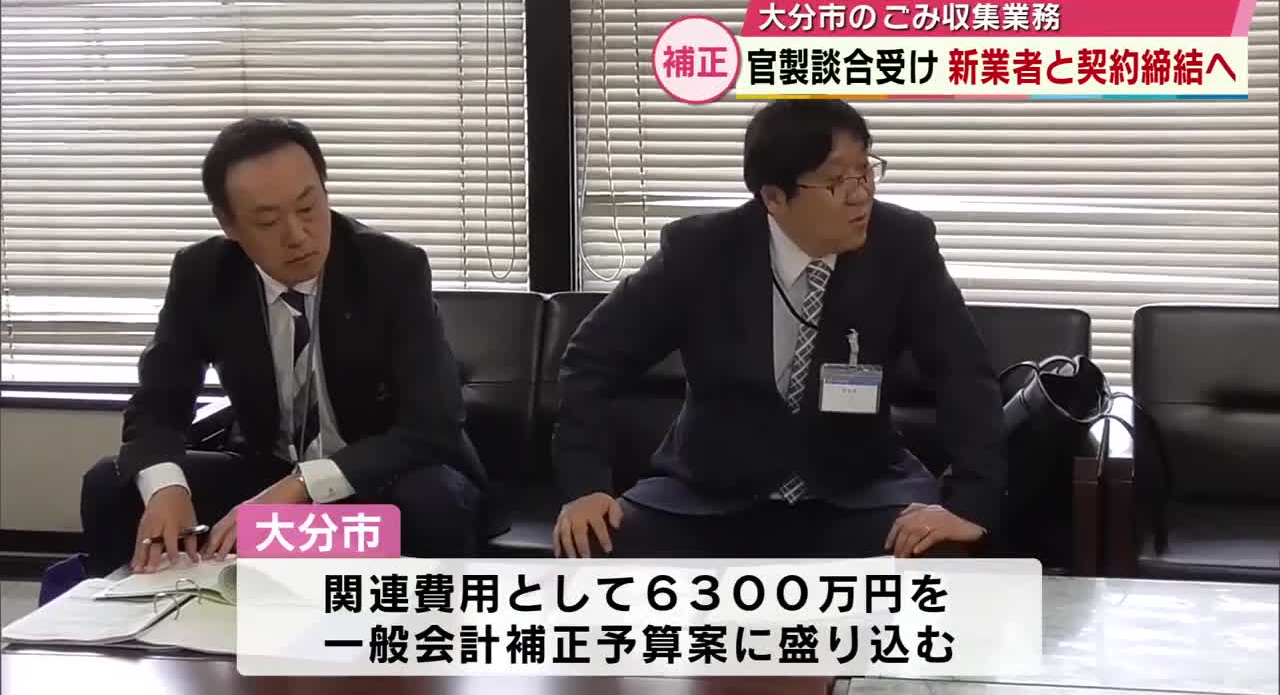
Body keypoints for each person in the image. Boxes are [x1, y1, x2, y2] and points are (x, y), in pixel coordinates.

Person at [552, 99, 1006, 559]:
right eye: (836, 181)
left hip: (859, 488)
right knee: (591, 548)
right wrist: (586, 486)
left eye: (865, 171)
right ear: (774, 198)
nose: (860, 194)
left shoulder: (902, 245)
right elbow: (592, 358)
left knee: (940, 551)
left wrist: (970, 502)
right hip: (710, 491)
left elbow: (963, 371)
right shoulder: (700, 252)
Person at [80, 117, 487, 575]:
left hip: (377, 482)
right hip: (267, 476)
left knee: (433, 502)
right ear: (229, 225)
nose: (296, 235)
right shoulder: (203, 275)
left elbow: (433, 424)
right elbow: (158, 403)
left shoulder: (392, 269)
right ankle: (134, 612)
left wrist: (301, 487)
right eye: (268, 221)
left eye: (308, 207)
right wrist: (166, 488)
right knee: (110, 483)